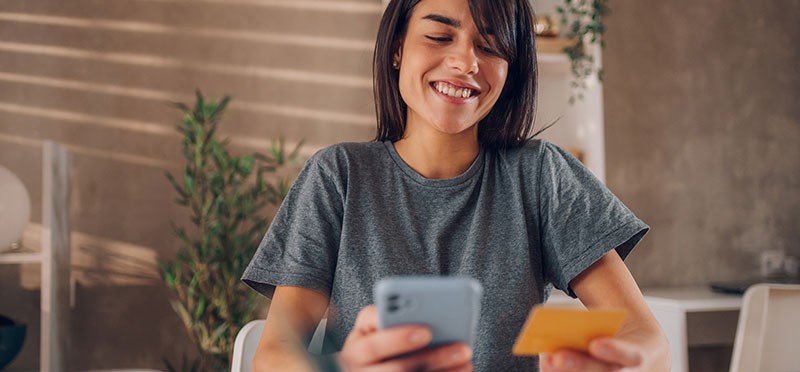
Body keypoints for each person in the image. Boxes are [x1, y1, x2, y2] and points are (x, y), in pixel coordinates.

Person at [242, 0, 670, 371]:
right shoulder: (337, 176)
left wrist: (621, 360)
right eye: (438, 36)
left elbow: (645, 335)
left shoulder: (541, 175)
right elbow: (273, 356)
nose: (466, 62)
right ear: (397, 49)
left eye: (489, 46)